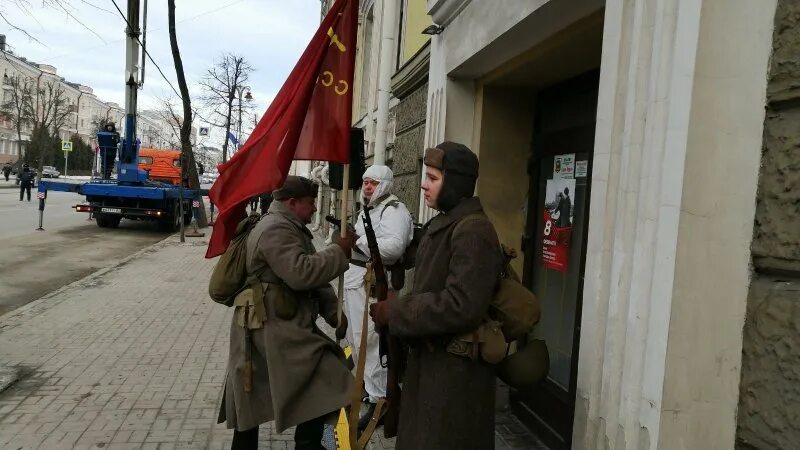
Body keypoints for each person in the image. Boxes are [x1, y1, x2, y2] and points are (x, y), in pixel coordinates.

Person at [369, 142, 503, 450]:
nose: (423, 184)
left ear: (454, 182)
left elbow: (461, 305)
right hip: (432, 365)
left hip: (454, 377)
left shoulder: (474, 231)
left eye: (432, 177)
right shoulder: (446, 221)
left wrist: (397, 312)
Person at [218, 175, 357, 450]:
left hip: (273, 325)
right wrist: (338, 252)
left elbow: (311, 275)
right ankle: (312, 444)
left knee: (255, 401)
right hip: (266, 327)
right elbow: (301, 273)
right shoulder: (275, 229)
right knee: (328, 378)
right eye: (311, 203)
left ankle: (312, 443)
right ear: (292, 203)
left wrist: (333, 313)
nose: (315, 209)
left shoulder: (288, 225)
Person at [342, 165, 413, 431]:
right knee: (357, 339)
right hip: (358, 280)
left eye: (373, 183)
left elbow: (394, 248)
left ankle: (379, 399)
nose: (367, 187)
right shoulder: (371, 209)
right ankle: (367, 388)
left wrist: (358, 241)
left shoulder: (393, 210)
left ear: (384, 184)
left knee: (371, 341)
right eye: (365, 182)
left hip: (371, 284)